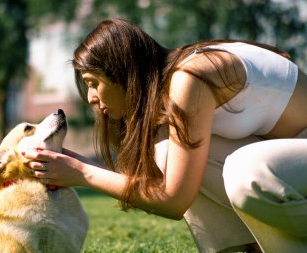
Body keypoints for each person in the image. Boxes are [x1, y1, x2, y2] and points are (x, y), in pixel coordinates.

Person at [23, 18, 307, 252]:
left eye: (93, 83)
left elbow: (173, 199)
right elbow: (167, 184)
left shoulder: (189, 78)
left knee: (247, 170)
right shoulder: (174, 89)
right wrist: (79, 164)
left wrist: (81, 173)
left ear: (122, 72)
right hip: (291, 160)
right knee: (171, 158)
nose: (91, 98)